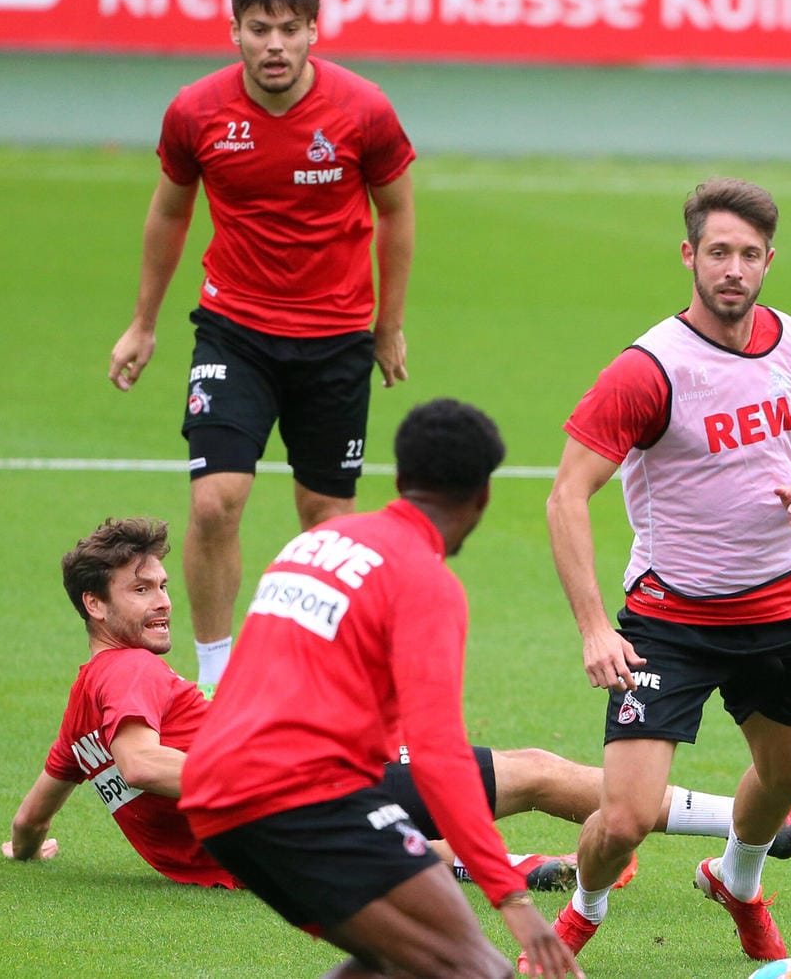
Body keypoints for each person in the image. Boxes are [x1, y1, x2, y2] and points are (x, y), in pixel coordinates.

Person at [2, 518, 791, 894]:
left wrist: (25, 846)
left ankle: (463, 860)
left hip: (270, 843)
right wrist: (275, 776)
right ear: (93, 607)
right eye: (140, 590)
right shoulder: (126, 678)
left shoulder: (86, 703)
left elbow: (45, 800)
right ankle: (742, 823)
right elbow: (143, 765)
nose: (164, 601)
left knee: (441, 796)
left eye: (163, 585)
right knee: (529, 772)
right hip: (305, 793)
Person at [541, 178, 791, 965]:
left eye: (750, 255)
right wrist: (592, 629)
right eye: (719, 252)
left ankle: (736, 882)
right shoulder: (650, 369)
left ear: (769, 262)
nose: (734, 270)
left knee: (790, 778)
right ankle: (581, 915)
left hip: (777, 614)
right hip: (669, 624)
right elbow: (566, 496)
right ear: (689, 255)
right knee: (624, 819)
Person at [105, 0, 416, 691]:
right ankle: (215, 679)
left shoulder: (363, 110)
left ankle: (319, 675)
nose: (273, 44)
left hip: (336, 338)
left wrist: (389, 324)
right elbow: (170, 210)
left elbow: (397, 212)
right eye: (257, 28)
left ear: (314, 30)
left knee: (327, 519)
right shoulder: (197, 111)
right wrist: (142, 323)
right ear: (234, 32)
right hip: (233, 330)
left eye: (287, 28)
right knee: (216, 501)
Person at [178, 399, 574, 978]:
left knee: (393, 963)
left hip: (217, 792)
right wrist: (511, 897)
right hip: (297, 795)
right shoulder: (424, 581)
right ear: (483, 496)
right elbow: (438, 755)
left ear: (399, 478)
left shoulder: (314, 544)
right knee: (479, 972)